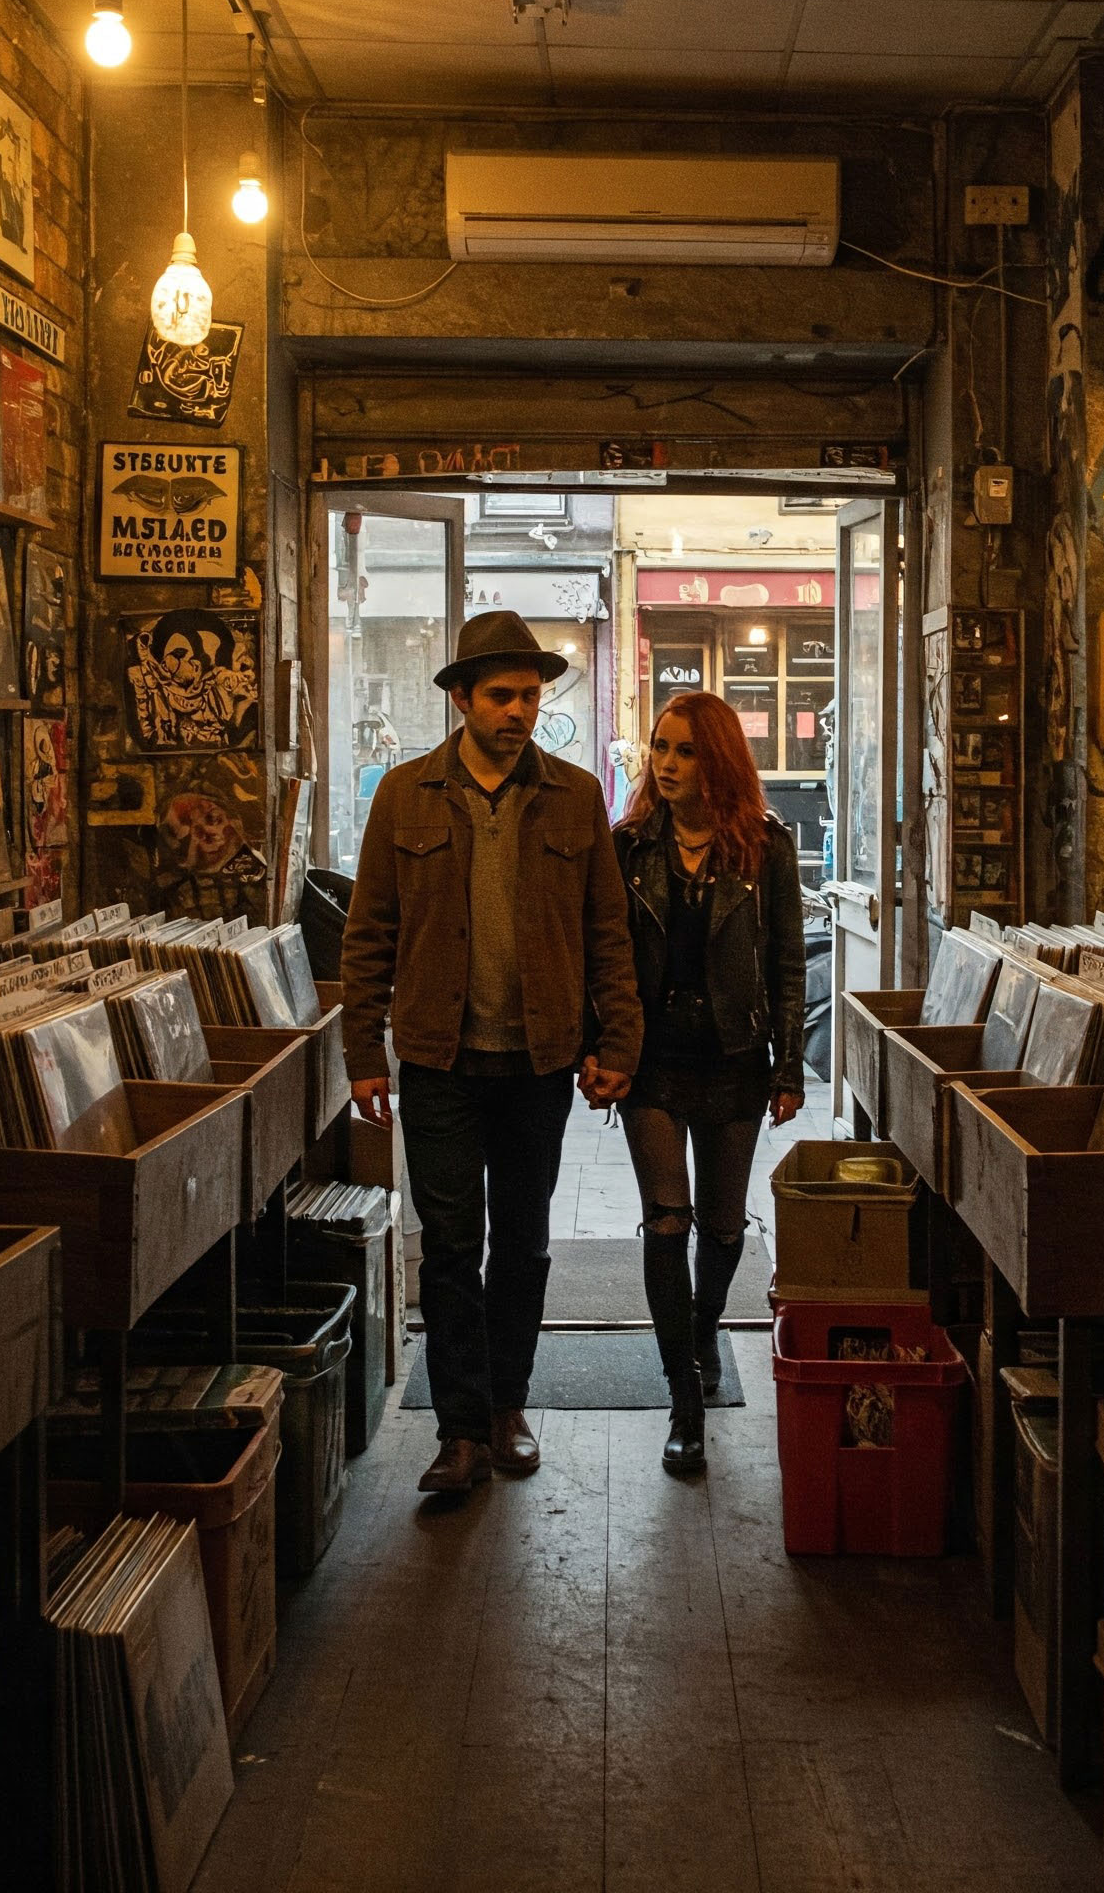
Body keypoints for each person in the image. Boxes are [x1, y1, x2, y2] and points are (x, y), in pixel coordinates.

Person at [341, 609, 643, 1496]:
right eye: (503, 695)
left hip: (539, 1060)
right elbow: (369, 936)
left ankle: (508, 1404)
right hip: (438, 1058)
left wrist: (617, 1039)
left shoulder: (577, 796)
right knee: (446, 1244)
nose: (519, 710)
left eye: (531, 696)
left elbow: (608, 934)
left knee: (523, 1241)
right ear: (462, 699)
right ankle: (458, 1428)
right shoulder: (403, 794)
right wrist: (365, 1051)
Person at [612, 692, 806, 1475]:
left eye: (686, 750)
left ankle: (703, 1326)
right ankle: (683, 1396)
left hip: (735, 1059)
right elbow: (607, 960)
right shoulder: (627, 846)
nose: (666, 764)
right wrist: (605, 1050)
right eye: (660, 747)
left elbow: (789, 965)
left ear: (717, 759)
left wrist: (789, 1067)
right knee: (667, 1220)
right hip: (654, 1062)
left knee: (725, 1224)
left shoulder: (765, 848)